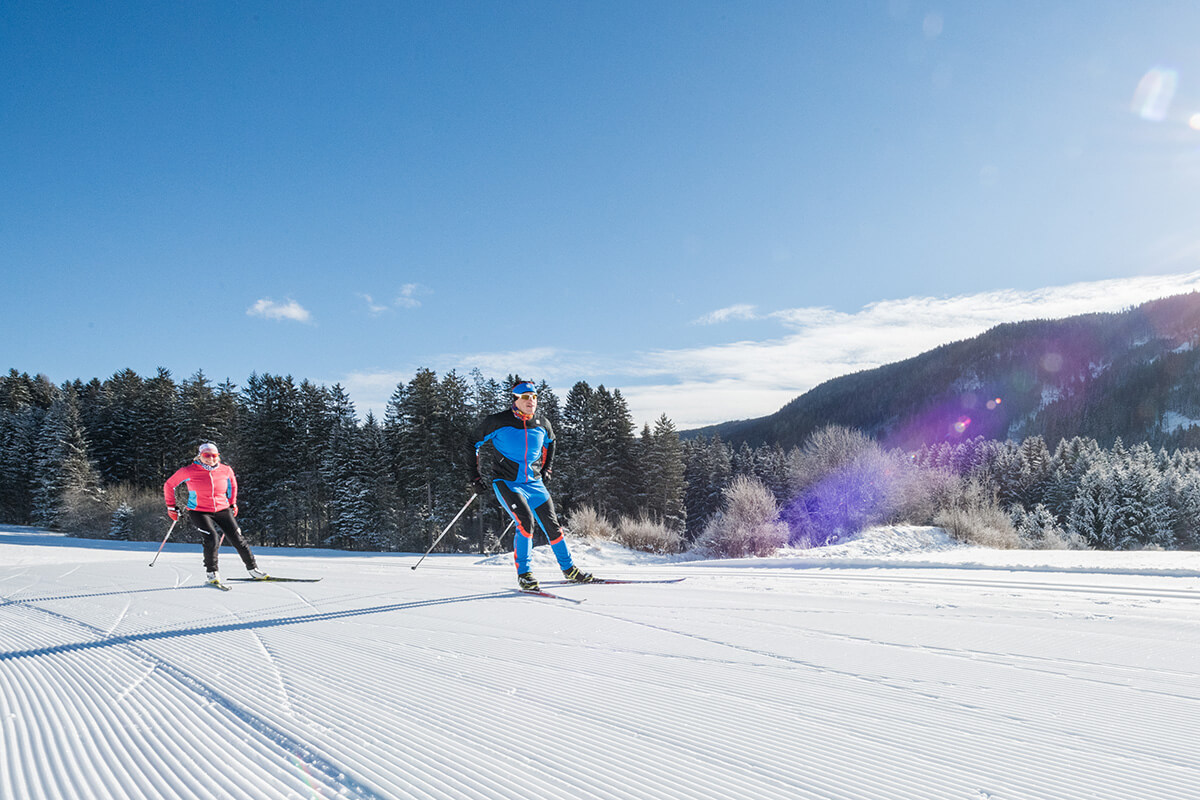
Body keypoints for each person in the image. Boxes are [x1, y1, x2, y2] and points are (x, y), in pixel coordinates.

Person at [469, 381, 596, 591]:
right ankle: (525, 575)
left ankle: (569, 570)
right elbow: (472, 443)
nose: (531, 401)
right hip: (508, 482)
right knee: (525, 521)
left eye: (534, 397)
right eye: (526, 397)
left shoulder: (542, 422)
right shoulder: (498, 421)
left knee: (552, 526)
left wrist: (547, 469)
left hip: (534, 483)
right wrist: (474, 477)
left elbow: (551, 442)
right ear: (516, 399)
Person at [163, 442, 267, 586]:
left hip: (222, 509)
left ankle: (253, 569)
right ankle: (212, 573)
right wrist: (171, 507)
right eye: (207, 455)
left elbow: (233, 485)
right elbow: (169, 485)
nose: (211, 458)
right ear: (200, 456)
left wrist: (232, 503)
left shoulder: (226, 470)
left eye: (214, 455)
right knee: (212, 538)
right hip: (199, 510)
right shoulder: (188, 471)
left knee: (238, 538)